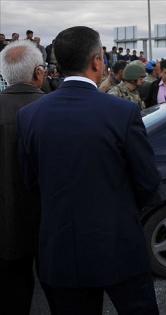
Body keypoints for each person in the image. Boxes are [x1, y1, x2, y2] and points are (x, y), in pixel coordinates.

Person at [16, 26, 160, 314]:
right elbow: (147, 182)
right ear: (97, 61)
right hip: (118, 243)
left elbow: (29, 181)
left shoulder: (29, 115)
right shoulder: (122, 112)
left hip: (60, 247)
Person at [0, 39, 49, 315]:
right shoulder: (55, 109)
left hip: (6, 226)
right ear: (38, 73)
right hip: (50, 224)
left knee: (12, 296)